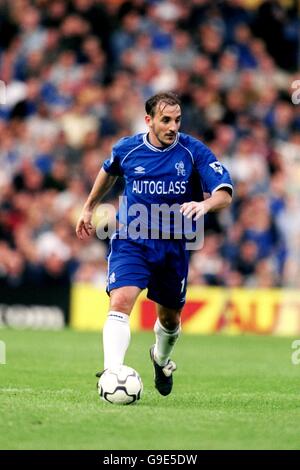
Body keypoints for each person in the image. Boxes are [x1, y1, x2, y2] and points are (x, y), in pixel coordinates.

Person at [76, 92, 233, 396]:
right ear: (149, 120)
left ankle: (160, 358)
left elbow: (224, 193)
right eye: (165, 120)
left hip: (173, 245)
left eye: (177, 120)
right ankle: (111, 373)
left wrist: (204, 206)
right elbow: (109, 170)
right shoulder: (128, 148)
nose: (173, 126)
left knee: (170, 319)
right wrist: (89, 206)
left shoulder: (193, 151)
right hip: (131, 238)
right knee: (120, 300)